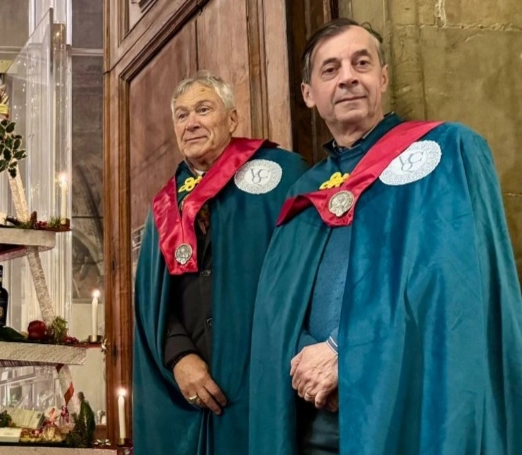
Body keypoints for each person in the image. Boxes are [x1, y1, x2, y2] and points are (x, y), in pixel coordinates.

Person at [248, 18, 522, 455]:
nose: (348, 77)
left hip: (408, 414)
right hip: (311, 424)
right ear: (308, 94)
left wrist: (344, 351)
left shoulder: (445, 152)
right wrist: (306, 359)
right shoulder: (304, 189)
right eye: (330, 69)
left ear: (383, 76)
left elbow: (452, 290)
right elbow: (277, 307)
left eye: (361, 63)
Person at [132, 72, 307, 455]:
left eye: (203, 109)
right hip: (191, 394)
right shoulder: (165, 205)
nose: (190, 122)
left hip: (266, 377)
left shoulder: (283, 175)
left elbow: (312, 271)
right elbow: (150, 301)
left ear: (232, 119)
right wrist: (178, 356)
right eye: (181, 115)